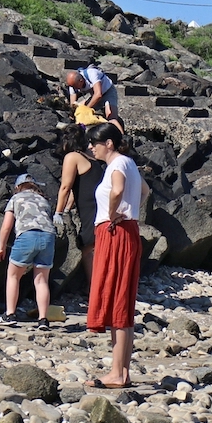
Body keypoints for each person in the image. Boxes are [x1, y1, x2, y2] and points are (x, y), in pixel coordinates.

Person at [84, 122, 148, 389]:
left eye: (94, 143)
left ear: (108, 143)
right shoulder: (129, 163)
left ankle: (117, 374)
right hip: (127, 229)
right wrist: (130, 211)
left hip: (116, 232)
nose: (90, 147)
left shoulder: (117, 164)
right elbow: (145, 191)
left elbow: (118, 190)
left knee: (117, 299)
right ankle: (121, 370)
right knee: (121, 298)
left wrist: (113, 214)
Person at [0, 174, 56, 329]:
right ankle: (43, 319)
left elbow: (7, 226)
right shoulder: (44, 201)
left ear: (18, 187)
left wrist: (1, 247)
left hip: (27, 235)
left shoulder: (16, 198)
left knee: (13, 275)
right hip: (48, 237)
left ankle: (10, 314)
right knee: (41, 280)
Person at [54, 126, 105, 284]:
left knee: (87, 247)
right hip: (99, 204)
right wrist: (69, 208)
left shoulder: (72, 157)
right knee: (96, 245)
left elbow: (66, 187)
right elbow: (80, 187)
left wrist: (59, 212)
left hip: (90, 207)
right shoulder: (91, 157)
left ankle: (94, 288)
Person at [64, 65, 121, 130]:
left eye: (75, 86)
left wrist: (86, 109)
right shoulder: (73, 85)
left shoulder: (92, 73)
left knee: (111, 117)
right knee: (79, 108)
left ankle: (123, 138)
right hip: (94, 96)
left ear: (81, 81)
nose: (74, 88)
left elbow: (98, 94)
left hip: (107, 92)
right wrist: (73, 114)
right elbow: (73, 104)